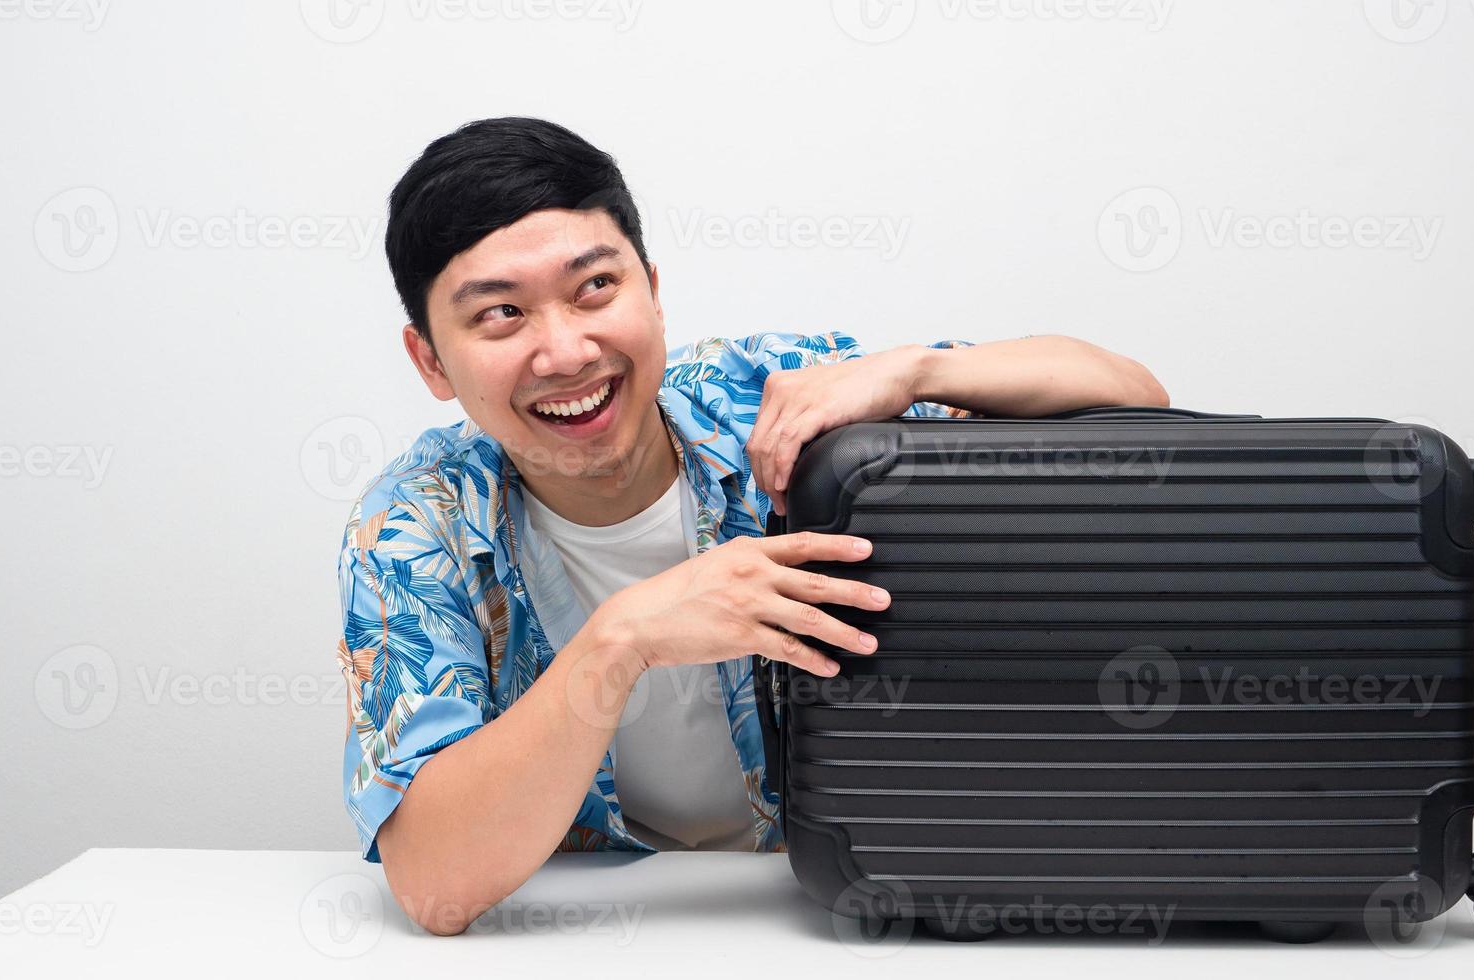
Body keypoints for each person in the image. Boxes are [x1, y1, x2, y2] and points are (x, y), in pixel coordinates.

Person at [337, 116, 1169, 935]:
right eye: (501, 315)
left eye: (596, 288)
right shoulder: (414, 523)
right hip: (610, 933)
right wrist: (622, 639)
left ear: (653, 294)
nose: (567, 352)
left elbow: (1132, 394)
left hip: (852, 908)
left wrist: (916, 368)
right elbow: (433, 885)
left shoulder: (773, 396)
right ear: (432, 362)